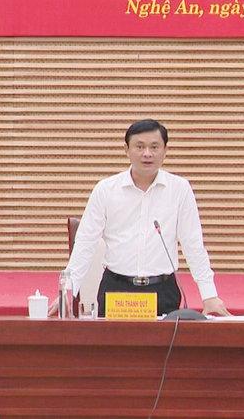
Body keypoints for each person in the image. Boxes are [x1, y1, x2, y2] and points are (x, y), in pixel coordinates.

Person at [62, 119, 229, 317]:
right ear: (127, 150)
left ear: (165, 150)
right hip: (117, 289)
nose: (147, 153)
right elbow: (85, 242)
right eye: (139, 146)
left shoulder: (179, 189)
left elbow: (193, 244)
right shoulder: (106, 189)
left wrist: (209, 294)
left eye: (154, 147)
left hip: (162, 291)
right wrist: (68, 290)